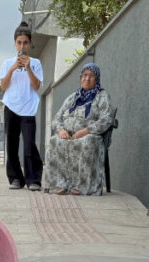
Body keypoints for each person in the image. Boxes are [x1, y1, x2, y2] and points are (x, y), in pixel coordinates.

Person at [43, 63, 114, 196]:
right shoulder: (73, 97)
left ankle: (83, 186)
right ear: (81, 77)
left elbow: (106, 119)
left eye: (91, 76)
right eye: (84, 75)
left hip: (89, 135)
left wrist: (86, 131)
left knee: (87, 142)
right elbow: (57, 118)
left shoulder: (102, 96)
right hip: (68, 135)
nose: (87, 78)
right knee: (54, 141)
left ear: (97, 79)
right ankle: (60, 184)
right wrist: (61, 130)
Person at [0, 21, 44, 191]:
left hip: (28, 109)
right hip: (11, 107)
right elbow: (4, 86)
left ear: (30, 43)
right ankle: (15, 179)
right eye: (19, 42)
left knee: (29, 145)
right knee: (11, 145)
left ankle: (34, 180)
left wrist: (28, 68)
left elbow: (37, 86)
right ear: (15, 43)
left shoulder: (36, 63)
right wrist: (12, 69)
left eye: (25, 42)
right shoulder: (7, 63)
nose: (22, 46)